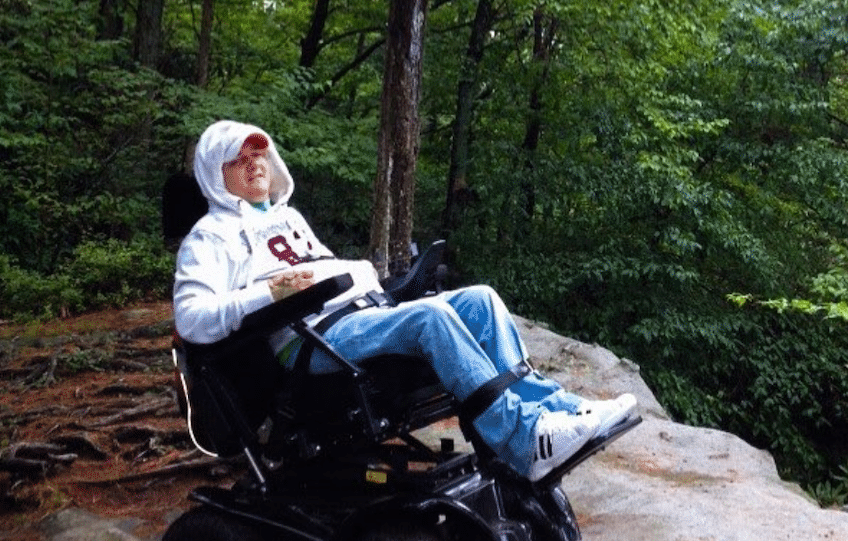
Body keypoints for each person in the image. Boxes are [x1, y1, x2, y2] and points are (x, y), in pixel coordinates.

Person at [173, 120, 637, 481]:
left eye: (260, 153)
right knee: (430, 317)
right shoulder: (208, 237)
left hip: (357, 318)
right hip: (309, 343)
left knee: (482, 299)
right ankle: (522, 438)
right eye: (240, 158)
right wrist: (275, 290)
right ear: (217, 174)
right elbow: (192, 319)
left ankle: (555, 411)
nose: (255, 163)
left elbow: (318, 272)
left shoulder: (288, 218)